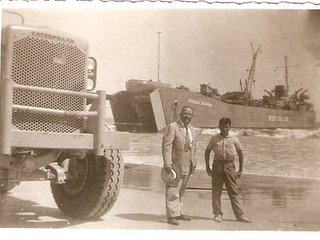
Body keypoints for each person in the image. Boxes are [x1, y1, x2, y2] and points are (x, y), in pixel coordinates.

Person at [205, 117, 251, 223]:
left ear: (230, 127)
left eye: (226, 126)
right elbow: (207, 152)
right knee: (216, 191)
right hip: (217, 166)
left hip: (230, 166)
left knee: (233, 191)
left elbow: (240, 153)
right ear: (219, 127)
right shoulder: (214, 138)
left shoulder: (234, 139)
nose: (224, 128)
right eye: (222, 126)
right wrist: (207, 167)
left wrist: (241, 170)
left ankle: (239, 215)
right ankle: (217, 214)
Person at [162, 106, 197, 225]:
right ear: (181, 114)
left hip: (188, 165)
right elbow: (166, 146)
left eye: (190, 114)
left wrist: (194, 162)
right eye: (185, 114)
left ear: (192, 116)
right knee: (172, 190)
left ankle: (179, 212)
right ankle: (171, 215)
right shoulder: (173, 127)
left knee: (181, 190)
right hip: (175, 165)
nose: (187, 116)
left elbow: (194, 148)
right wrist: (167, 164)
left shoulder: (193, 130)